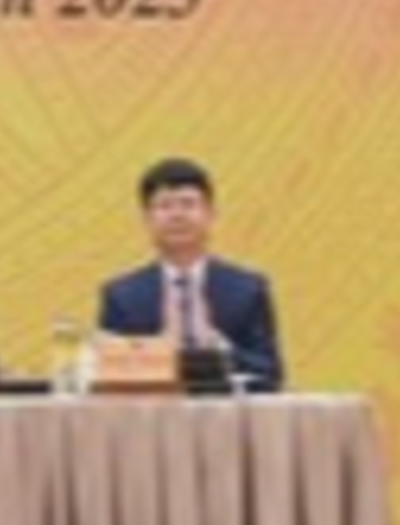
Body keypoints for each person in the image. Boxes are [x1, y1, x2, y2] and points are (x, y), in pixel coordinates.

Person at [96, 155, 286, 391]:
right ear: (147, 219)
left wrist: (221, 352)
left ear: (210, 214)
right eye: (165, 206)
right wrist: (156, 355)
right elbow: (107, 374)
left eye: (188, 204)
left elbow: (271, 373)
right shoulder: (122, 296)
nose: (177, 216)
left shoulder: (248, 290)